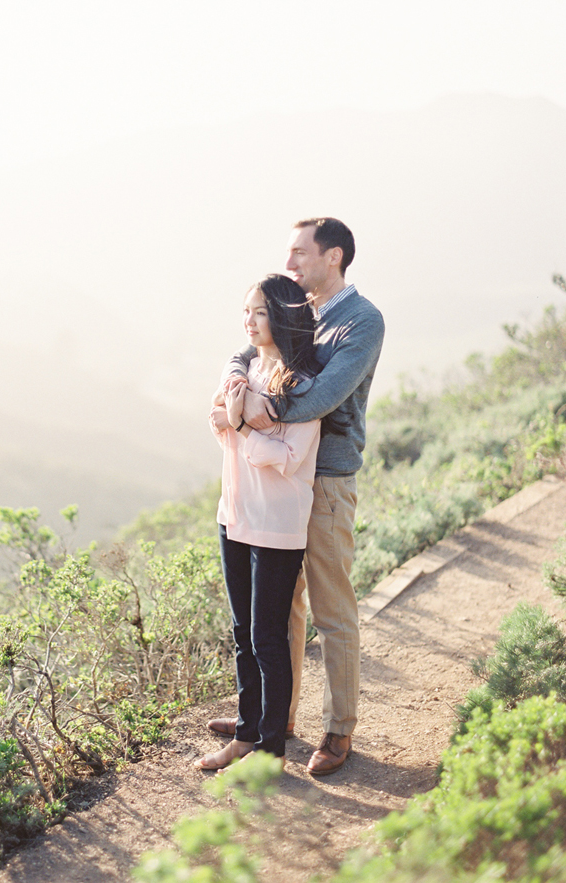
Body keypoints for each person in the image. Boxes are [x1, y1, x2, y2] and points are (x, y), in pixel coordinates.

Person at [209, 217, 384, 776]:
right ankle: (272, 719)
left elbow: (324, 396)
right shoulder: (299, 311)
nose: (290, 265)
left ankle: (338, 729)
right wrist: (238, 381)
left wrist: (255, 413)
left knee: (332, 608)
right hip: (281, 482)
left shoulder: (361, 321)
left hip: (326, 477)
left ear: (332, 256)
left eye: (299, 254)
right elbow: (247, 351)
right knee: (280, 607)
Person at [196, 274, 323, 771]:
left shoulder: (302, 386)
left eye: (261, 312)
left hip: (276, 523)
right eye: (246, 311)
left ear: (284, 317)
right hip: (234, 516)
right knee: (242, 633)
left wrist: (243, 424)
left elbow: (292, 456)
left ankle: (271, 749)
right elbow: (215, 418)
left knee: (269, 638)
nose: (249, 321)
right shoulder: (245, 370)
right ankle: (246, 735)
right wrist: (234, 419)